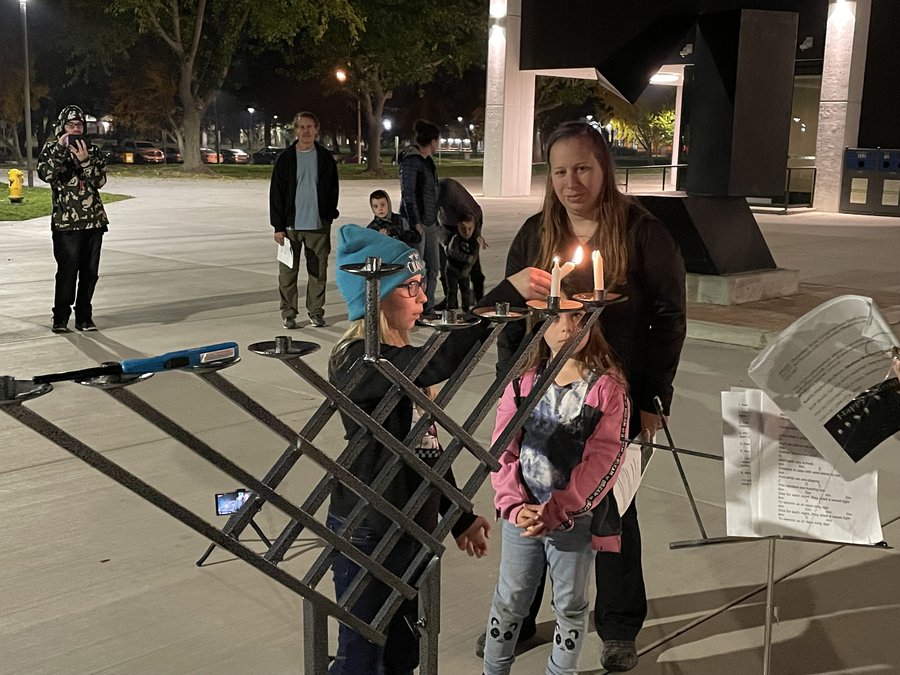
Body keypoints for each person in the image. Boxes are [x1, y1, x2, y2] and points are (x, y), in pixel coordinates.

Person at [494, 121, 687, 671]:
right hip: (544, 395)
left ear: (604, 167)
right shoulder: (536, 234)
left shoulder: (643, 233)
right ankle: (520, 615)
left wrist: (653, 397)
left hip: (613, 398)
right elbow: (513, 318)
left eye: (582, 168)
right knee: (532, 493)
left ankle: (619, 623)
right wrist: (511, 385)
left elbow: (669, 318)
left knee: (611, 509)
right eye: (559, 171)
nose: (571, 182)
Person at [328, 224, 550, 674]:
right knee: (363, 652)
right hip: (368, 526)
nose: (423, 298)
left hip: (414, 526)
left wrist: (459, 517)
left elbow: (426, 450)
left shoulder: (400, 358)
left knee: (404, 651)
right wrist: (503, 296)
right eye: (409, 287)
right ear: (374, 294)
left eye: (422, 285)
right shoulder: (356, 361)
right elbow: (441, 359)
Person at [483, 292, 631, 675]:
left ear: (592, 320)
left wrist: (559, 507)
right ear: (539, 323)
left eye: (578, 316)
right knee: (511, 598)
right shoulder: (522, 384)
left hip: (572, 518)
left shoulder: (606, 389)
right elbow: (502, 448)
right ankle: (493, 669)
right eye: (555, 317)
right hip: (522, 515)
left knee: (569, 604)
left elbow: (604, 458)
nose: (567, 327)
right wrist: (514, 504)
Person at [37, 105, 109, 333]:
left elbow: (100, 181)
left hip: (93, 221)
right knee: (67, 272)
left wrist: (85, 160)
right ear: (62, 127)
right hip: (66, 223)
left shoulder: (92, 150)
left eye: (79, 125)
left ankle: (84, 317)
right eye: (71, 125)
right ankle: (60, 318)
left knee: (89, 273)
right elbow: (47, 175)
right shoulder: (51, 150)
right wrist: (61, 149)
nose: (76, 129)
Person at [269, 111, 339, 329]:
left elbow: (333, 189)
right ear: (296, 131)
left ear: (316, 130)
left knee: (317, 273)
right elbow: (276, 194)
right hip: (290, 228)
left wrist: (328, 215)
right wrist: (278, 226)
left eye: (310, 127)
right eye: (302, 127)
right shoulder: (286, 159)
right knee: (287, 274)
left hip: (318, 226)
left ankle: (315, 312)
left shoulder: (325, 158)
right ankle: (288, 314)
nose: (306, 131)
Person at [399, 120, 441, 312]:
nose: (438, 144)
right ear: (432, 141)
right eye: (437, 140)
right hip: (416, 223)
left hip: (430, 221)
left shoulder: (428, 162)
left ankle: (427, 306)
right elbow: (408, 194)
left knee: (434, 266)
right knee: (416, 270)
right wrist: (415, 222)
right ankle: (414, 308)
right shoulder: (411, 161)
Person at [437, 177, 487, 302]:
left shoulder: (450, 190)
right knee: (446, 263)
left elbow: (472, 215)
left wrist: (474, 235)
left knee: (471, 260)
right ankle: (450, 299)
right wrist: (443, 239)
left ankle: (480, 299)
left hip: (469, 220)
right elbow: (432, 220)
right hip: (448, 224)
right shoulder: (427, 195)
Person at [444, 217, 479, 310]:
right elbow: (452, 252)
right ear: (459, 228)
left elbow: (474, 257)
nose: (467, 232)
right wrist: (467, 258)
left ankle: (466, 310)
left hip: (464, 271)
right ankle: (451, 310)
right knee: (452, 291)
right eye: (463, 229)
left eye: (469, 229)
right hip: (452, 268)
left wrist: (467, 268)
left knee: (465, 291)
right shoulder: (456, 239)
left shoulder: (475, 242)